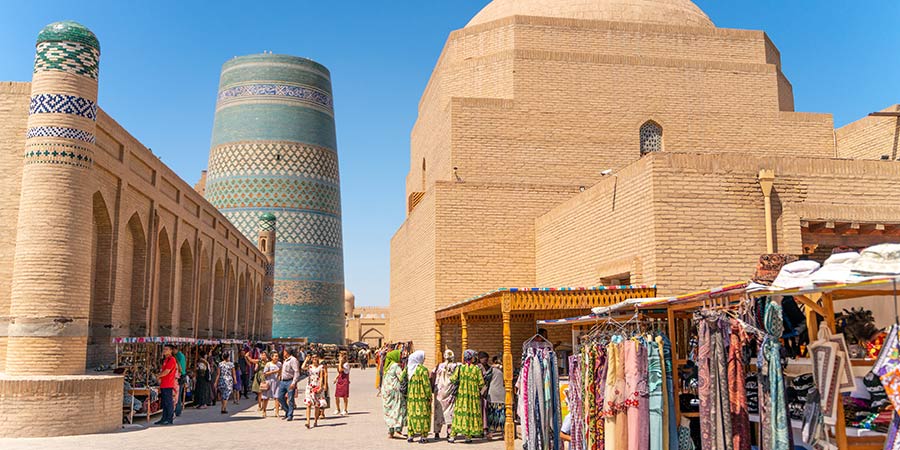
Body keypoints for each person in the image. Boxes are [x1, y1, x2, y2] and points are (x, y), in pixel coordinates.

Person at [449, 350, 485, 443]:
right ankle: (468, 437)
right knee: (470, 415)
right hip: (473, 397)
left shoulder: (460, 368)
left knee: (459, 415)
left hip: (462, 396)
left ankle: (452, 436)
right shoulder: (476, 369)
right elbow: (481, 383)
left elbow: (453, 379)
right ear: (472, 358)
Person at [406, 350, 432, 443]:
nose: (424, 359)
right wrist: (429, 396)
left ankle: (410, 436)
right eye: (423, 357)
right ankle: (423, 437)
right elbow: (426, 385)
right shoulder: (423, 370)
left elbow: (401, 379)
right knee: (423, 416)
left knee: (412, 415)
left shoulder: (408, 369)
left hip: (411, 398)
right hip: (422, 398)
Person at [433, 349, 459, 440]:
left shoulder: (439, 366)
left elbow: (435, 377)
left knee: (438, 411)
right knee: (450, 411)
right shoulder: (455, 366)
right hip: (449, 391)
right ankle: (449, 432)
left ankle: (437, 432)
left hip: (440, 392)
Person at [381, 349, 407, 438]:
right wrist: (407, 370)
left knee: (389, 411)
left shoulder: (387, 366)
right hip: (395, 392)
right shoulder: (396, 366)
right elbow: (401, 377)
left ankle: (390, 431)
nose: (401, 357)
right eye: (399, 355)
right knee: (398, 409)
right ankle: (398, 430)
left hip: (386, 392)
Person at [302, 352, 328, 428]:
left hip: (317, 385)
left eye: (315, 357)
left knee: (317, 405)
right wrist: (306, 360)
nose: (314, 359)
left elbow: (321, 377)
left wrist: (321, 386)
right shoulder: (310, 366)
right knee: (308, 404)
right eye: (313, 357)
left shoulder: (321, 367)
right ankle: (308, 421)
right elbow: (302, 367)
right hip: (310, 386)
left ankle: (315, 420)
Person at [155, 344, 178, 426]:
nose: (164, 350)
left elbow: (167, 371)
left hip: (168, 384)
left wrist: (158, 376)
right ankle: (164, 418)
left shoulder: (172, 360)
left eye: (166, 349)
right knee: (164, 403)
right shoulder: (166, 360)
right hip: (164, 384)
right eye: (164, 349)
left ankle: (169, 419)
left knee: (168, 402)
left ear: (171, 350)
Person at [278, 347, 302, 421]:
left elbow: (296, 372)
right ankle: (287, 410)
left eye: (284, 351)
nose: (283, 352)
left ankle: (290, 415)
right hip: (283, 381)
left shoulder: (293, 360)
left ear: (287, 352)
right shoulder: (285, 360)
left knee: (290, 398)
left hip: (290, 381)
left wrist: (294, 382)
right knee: (280, 397)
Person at [487, 356, 506, 437]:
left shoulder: (492, 370)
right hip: (502, 393)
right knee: (501, 413)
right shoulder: (506, 369)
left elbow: (486, 378)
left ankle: (491, 433)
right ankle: (503, 433)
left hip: (493, 394)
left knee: (492, 413)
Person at [477, 351, 493, 439]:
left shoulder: (489, 367)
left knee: (485, 409)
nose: (486, 360)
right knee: (481, 409)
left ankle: (485, 427)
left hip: (487, 391)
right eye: (484, 358)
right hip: (480, 392)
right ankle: (481, 428)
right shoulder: (478, 368)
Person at [261, 351, 281, 418]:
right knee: (266, 398)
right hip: (269, 382)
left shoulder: (279, 364)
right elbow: (265, 374)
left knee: (277, 397)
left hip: (277, 382)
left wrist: (279, 375)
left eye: (277, 356)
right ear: (271, 357)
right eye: (275, 356)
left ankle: (277, 412)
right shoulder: (268, 364)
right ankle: (264, 410)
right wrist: (274, 372)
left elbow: (280, 372)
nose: (276, 357)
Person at [334, 351, 351, 416]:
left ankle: (345, 409)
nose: (339, 357)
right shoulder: (341, 363)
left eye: (340, 356)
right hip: (340, 380)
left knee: (344, 396)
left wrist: (340, 362)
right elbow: (339, 373)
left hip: (344, 381)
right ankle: (338, 409)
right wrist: (336, 378)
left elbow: (341, 370)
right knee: (337, 395)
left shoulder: (346, 364)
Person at [173, 345, 187, 417]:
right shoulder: (182, 355)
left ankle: (177, 411)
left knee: (177, 395)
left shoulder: (178, 356)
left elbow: (179, 367)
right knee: (179, 394)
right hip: (183, 375)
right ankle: (178, 410)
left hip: (180, 376)